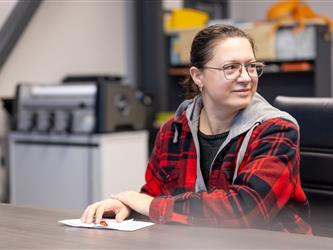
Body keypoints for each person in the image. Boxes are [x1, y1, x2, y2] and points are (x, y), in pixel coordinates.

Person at [81, 24, 312, 234]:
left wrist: (150, 205)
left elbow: (246, 210)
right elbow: (154, 193)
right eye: (231, 68)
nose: (245, 78)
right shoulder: (173, 130)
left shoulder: (277, 129)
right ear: (198, 76)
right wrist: (126, 206)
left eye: (251, 66)